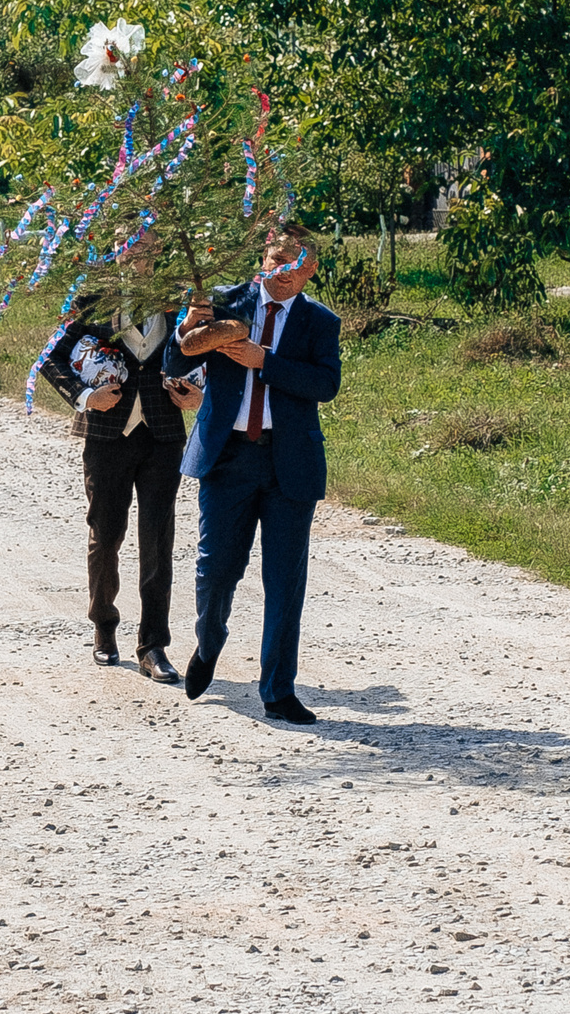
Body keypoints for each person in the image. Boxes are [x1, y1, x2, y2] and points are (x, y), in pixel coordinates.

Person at [164, 224, 342, 725]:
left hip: (289, 463)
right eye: (278, 257)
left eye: (297, 262)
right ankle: (207, 645)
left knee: (285, 581)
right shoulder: (222, 302)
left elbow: (325, 384)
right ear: (264, 255)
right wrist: (187, 329)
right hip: (228, 458)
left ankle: (277, 690)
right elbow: (175, 358)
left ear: (309, 271)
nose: (285, 270)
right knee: (216, 569)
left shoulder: (319, 322)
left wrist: (265, 361)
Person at [38, 280, 202, 680]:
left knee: (158, 540)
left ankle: (153, 646)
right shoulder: (93, 296)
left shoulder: (179, 297)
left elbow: (203, 354)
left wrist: (200, 394)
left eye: (146, 240)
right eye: (128, 239)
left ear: (158, 244)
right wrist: (84, 396)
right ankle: (104, 626)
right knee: (106, 533)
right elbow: (50, 357)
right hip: (107, 433)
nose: (136, 249)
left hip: (162, 433)